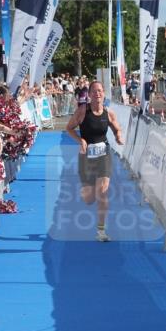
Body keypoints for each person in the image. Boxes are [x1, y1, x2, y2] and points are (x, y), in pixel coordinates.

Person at [64, 80, 124, 242]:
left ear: (103, 94)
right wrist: (81, 141)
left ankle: (101, 231)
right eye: (94, 91)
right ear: (89, 95)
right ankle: (84, 190)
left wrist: (119, 136)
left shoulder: (109, 113)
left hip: (104, 155)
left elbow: (117, 128)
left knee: (103, 192)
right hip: (86, 157)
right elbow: (69, 128)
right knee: (89, 199)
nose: (97, 93)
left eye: (100, 91)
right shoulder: (83, 111)